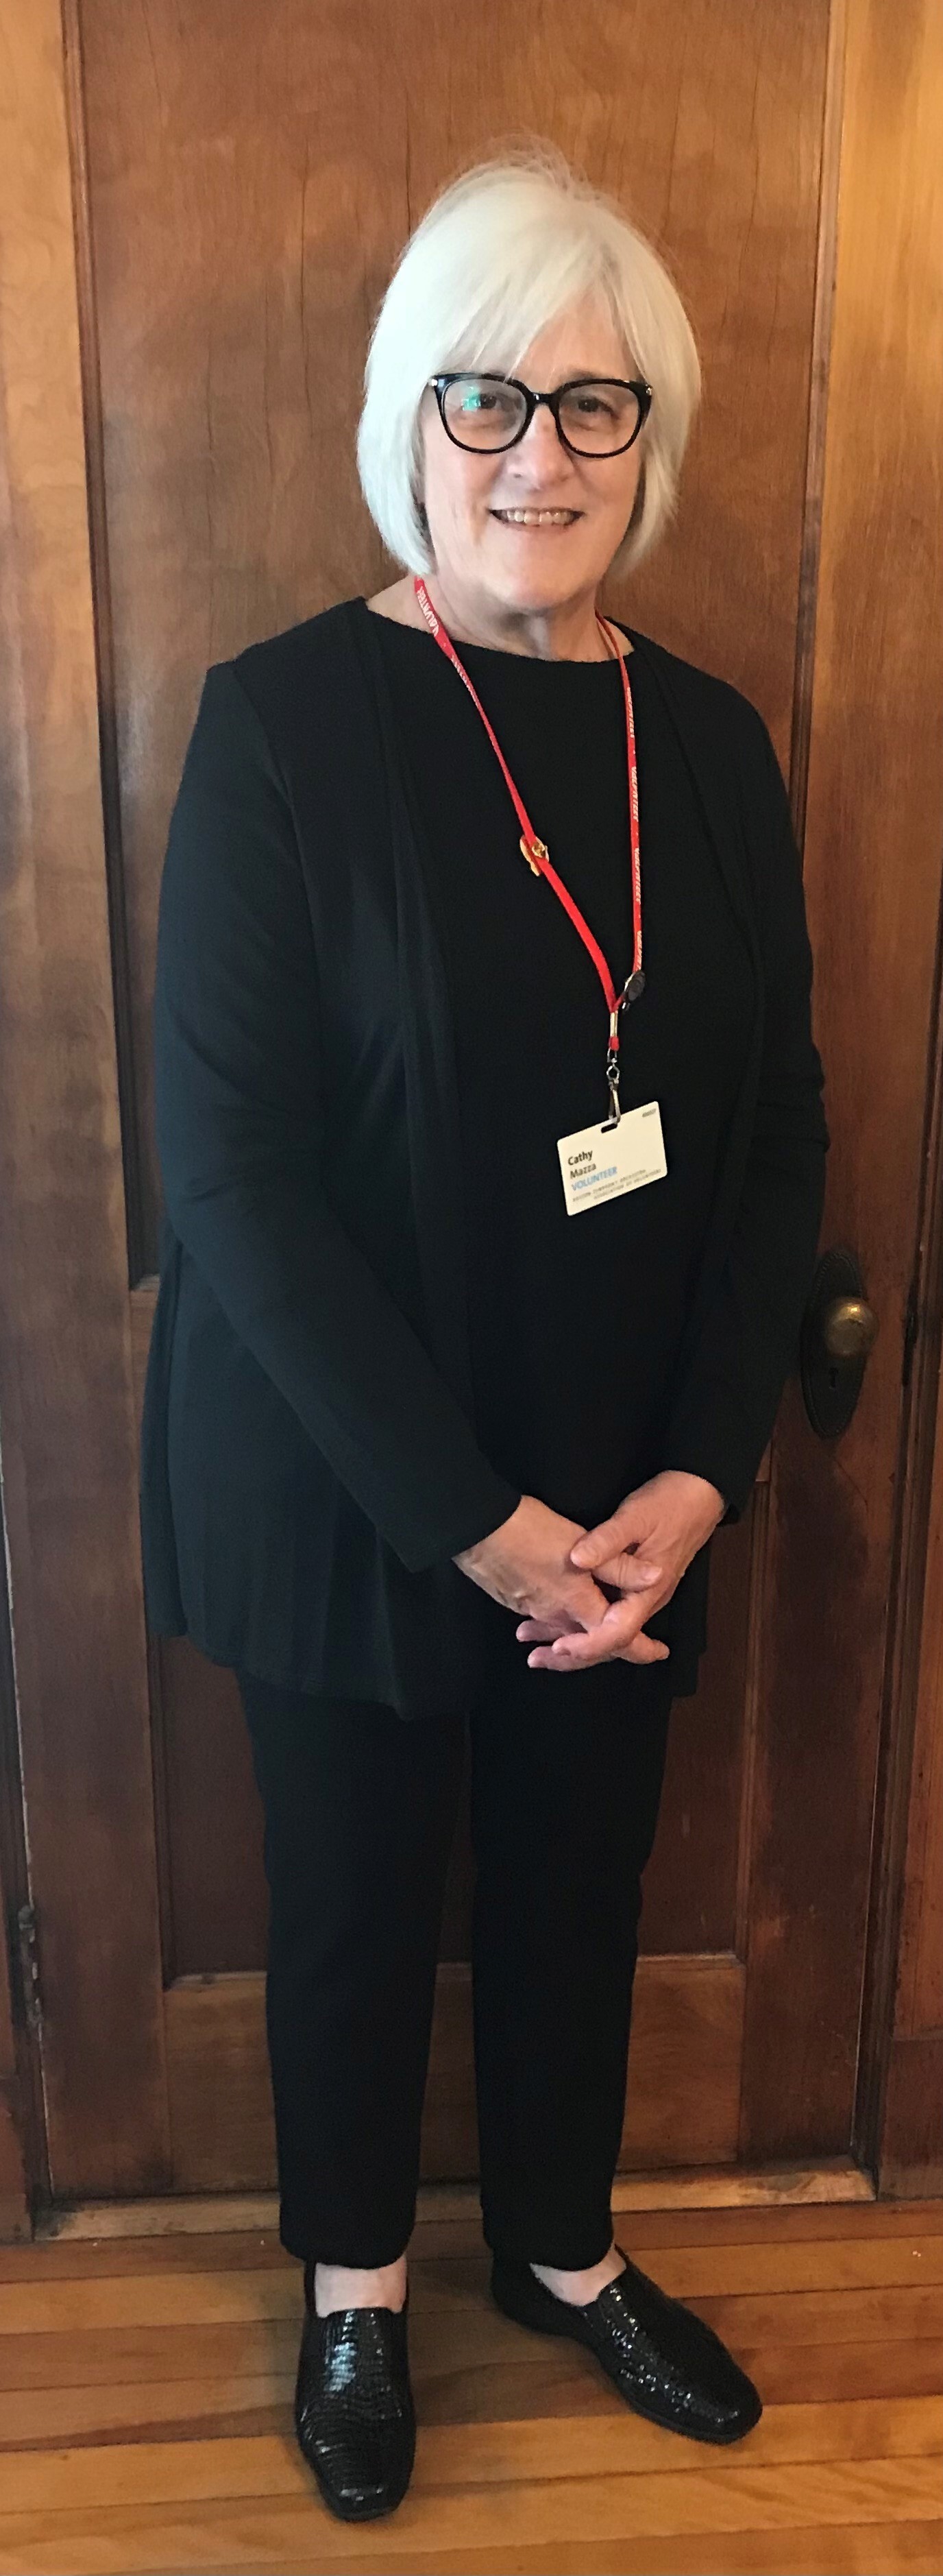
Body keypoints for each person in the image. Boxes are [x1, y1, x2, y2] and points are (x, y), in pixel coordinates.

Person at [140, 145, 829, 2523]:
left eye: (597, 406)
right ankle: (352, 2294)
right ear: (401, 419)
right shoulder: (285, 726)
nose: (539, 454)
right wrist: (477, 1525)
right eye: (486, 398)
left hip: (627, 1482)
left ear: (656, 437)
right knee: (346, 1900)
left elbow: (772, 1148)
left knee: (580, 1884)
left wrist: (690, 1484)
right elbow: (225, 1177)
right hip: (361, 1483)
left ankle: (561, 2250)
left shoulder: (715, 749)